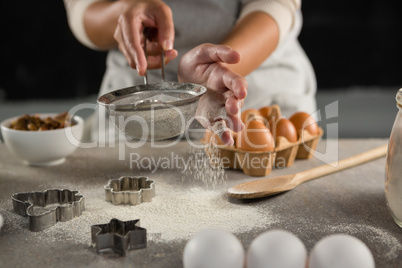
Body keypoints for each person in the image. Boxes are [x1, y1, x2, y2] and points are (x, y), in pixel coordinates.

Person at [63, 0, 316, 145]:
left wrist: (220, 68)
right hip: (136, 107)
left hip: (255, 92)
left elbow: (274, 5)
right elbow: (82, 9)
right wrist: (124, 13)